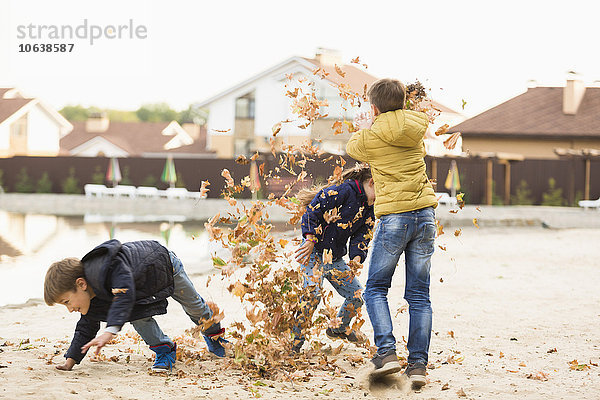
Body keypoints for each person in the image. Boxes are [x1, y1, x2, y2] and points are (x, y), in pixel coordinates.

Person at [346, 78, 438, 388]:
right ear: (403, 102)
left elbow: (351, 147)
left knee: (375, 288)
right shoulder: (416, 126)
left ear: (373, 108)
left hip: (394, 218)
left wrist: (366, 123)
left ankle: (386, 353)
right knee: (419, 295)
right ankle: (418, 366)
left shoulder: (370, 137)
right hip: (425, 215)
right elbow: (408, 121)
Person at [44, 239, 227, 372]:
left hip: (165, 267)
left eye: (67, 302)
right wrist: (71, 359)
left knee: (193, 306)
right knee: (138, 317)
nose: (69, 309)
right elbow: (86, 328)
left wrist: (110, 331)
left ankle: (214, 336)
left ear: (81, 284)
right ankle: (165, 350)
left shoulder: (108, 268)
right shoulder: (90, 299)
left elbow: (124, 294)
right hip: (141, 289)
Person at [292, 163, 376, 352]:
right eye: (381, 191)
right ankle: (294, 343)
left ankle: (338, 327)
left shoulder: (369, 207)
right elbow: (313, 209)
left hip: (335, 259)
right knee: (311, 295)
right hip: (313, 254)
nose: (381, 198)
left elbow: (363, 234)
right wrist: (310, 238)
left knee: (356, 296)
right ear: (371, 182)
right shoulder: (344, 191)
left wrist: (356, 257)